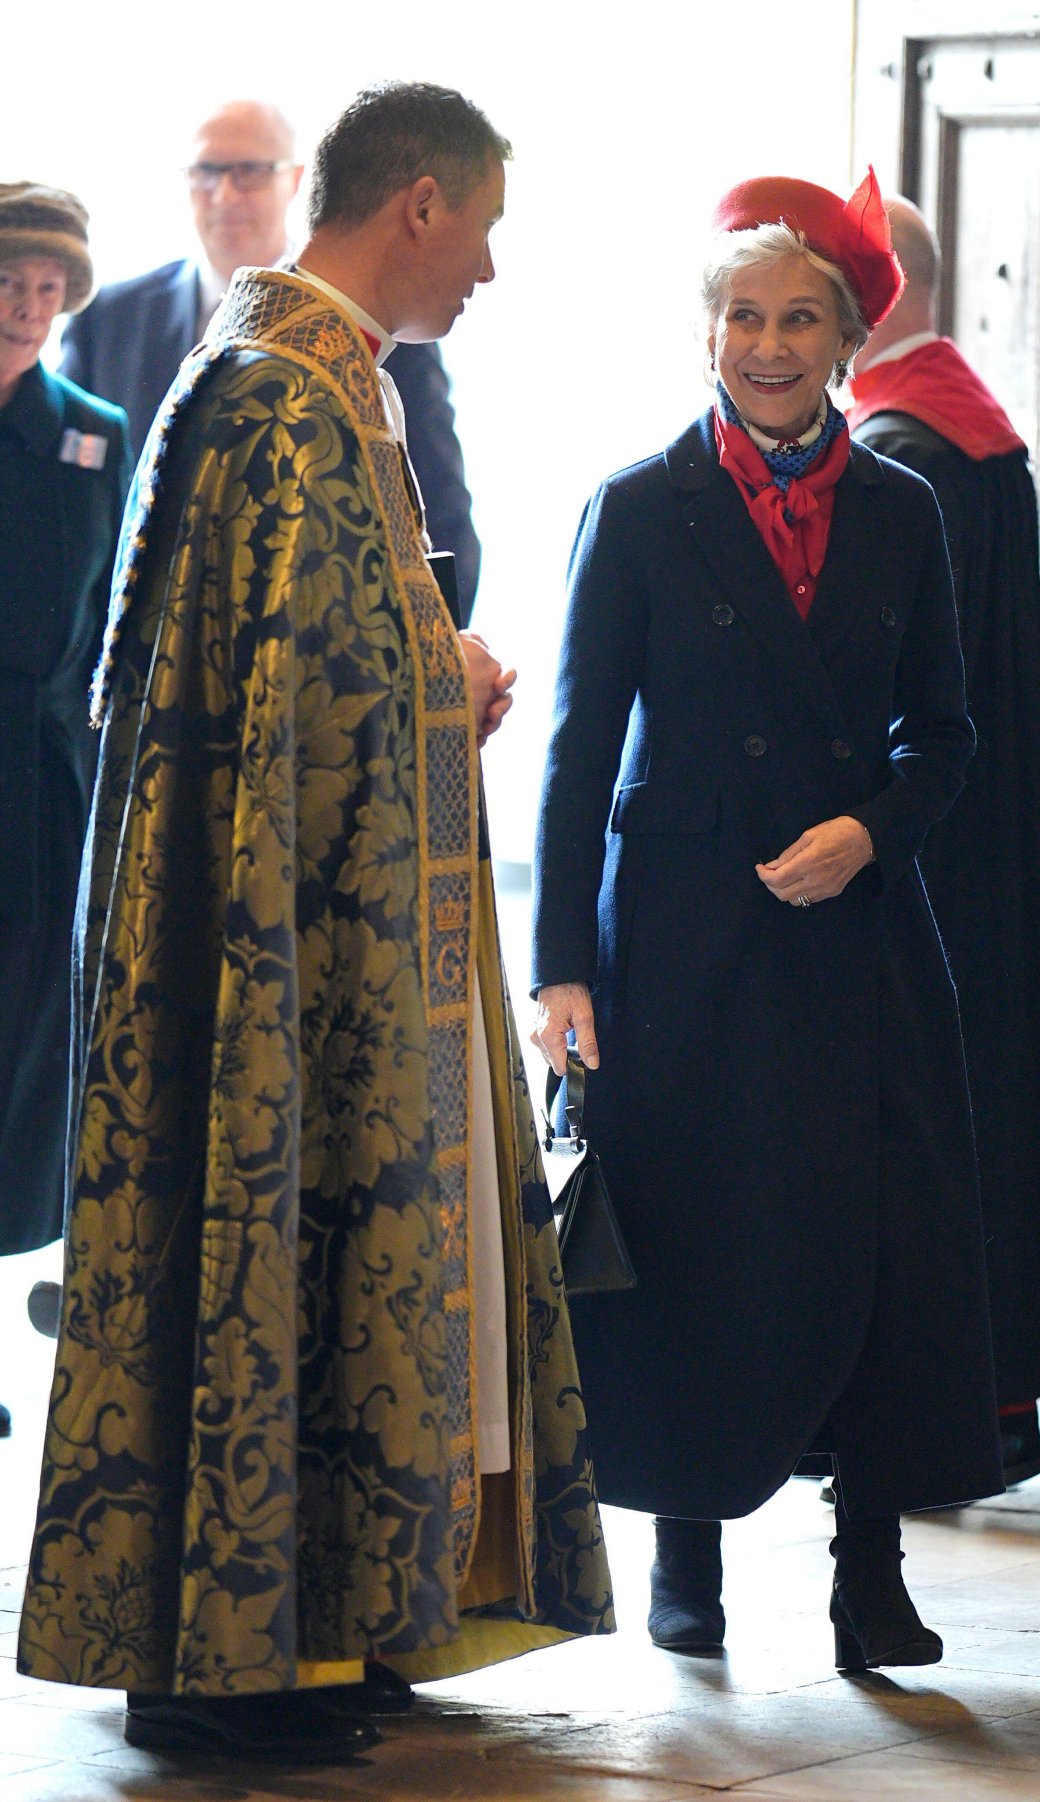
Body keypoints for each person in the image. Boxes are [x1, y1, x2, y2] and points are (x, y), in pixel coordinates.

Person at [18, 81, 612, 1764]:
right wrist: (461, 671)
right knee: (269, 1236)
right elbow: (295, 688)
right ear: (418, 203)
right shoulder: (277, 398)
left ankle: (337, 1621)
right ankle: (233, 1654)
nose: (490, 267)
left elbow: (317, 659)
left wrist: (438, 666)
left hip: (336, 933)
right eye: (484, 227)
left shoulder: (318, 380)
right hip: (273, 950)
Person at [531, 172, 1003, 1670]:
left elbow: (946, 734)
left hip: (854, 937)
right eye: (744, 315)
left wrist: (870, 830)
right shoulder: (637, 503)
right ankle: (688, 1558)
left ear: (848, 338)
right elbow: (573, 745)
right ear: (706, 333)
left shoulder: (905, 507)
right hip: (679, 938)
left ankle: (873, 1573)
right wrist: (562, 972)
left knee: (881, 1245)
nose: (770, 343)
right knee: (687, 1245)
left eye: (801, 318)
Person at [847, 198, 1040, 1485]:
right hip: (982, 824)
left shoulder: (902, 448)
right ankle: (988, 1410)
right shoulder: (970, 423)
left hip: (914, 826)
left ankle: (947, 1421)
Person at [59, 98, 483, 616]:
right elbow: (71, 514)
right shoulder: (107, 316)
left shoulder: (388, 327)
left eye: (251, 172)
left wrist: (443, 658)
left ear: (296, 181)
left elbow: (440, 511)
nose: (225, 193)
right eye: (207, 172)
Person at [0, 185, 131, 1436]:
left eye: (50, 287)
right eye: (7, 281)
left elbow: (111, 628)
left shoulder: (93, 430)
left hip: (38, 797)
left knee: (21, 1064)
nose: (30, 306)